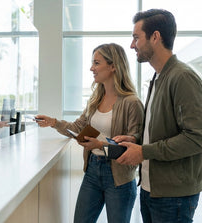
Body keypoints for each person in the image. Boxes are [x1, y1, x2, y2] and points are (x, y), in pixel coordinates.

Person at [116, 9, 202, 223]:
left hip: (173, 197)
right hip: (151, 189)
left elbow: (196, 138)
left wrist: (144, 151)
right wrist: (136, 141)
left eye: (136, 38)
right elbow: (160, 130)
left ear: (155, 37)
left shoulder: (183, 77)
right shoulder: (159, 77)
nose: (132, 45)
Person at [36, 43, 144, 223]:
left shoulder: (131, 103)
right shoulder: (95, 100)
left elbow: (135, 147)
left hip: (119, 177)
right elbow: (78, 127)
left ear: (113, 66)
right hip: (93, 170)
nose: (91, 68)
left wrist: (101, 145)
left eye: (96, 63)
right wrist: (53, 122)